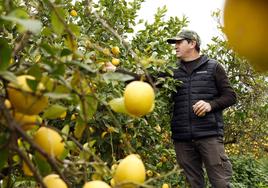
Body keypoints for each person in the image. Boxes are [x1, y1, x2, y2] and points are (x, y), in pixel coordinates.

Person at [166, 29, 236, 188]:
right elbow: (147, 79)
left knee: (220, 183)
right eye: (174, 43)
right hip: (182, 138)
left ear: (192, 43)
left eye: (179, 42)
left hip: (209, 135)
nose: (175, 46)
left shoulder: (213, 67)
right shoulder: (172, 70)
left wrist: (210, 105)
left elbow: (230, 96)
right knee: (194, 184)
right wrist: (116, 71)